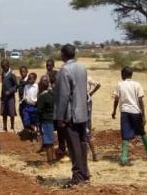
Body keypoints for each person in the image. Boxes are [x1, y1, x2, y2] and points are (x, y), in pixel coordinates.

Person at [53, 45, 90, 188]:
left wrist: (60, 117)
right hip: (82, 112)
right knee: (82, 144)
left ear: (63, 55)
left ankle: (77, 177)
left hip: (70, 115)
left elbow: (64, 96)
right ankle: (85, 173)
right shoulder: (82, 67)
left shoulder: (64, 70)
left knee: (74, 146)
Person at [111, 67, 147, 166]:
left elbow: (116, 99)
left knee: (125, 135)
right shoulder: (137, 85)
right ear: (131, 74)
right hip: (136, 112)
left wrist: (114, 111)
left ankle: (124, 157)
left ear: (123, 75)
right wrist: (143, 115)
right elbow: (140, 100)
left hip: (125, 112)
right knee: (142, 132)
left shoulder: (120, 84)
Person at [35, 76, 56, 164]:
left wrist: (37, 122)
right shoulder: (51, 94)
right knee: (51, 140)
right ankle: (53, 158)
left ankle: (49, 160)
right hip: (51, 119)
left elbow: (39, 110)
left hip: (45, 120)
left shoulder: (43, 96)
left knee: (47, 141)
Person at [0, 59, 19, 132]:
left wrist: (10, 91)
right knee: (4, 112)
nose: (3, 68)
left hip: (10, 97)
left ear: (8, 66)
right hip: (4, 96)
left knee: (11, 112)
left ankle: (12, 127)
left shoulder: (12, 74)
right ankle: (4, 127)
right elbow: (3, 84)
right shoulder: (3, 73)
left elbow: (16, 85)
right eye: (2, 67)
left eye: (4, 67)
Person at [86, 76, 101, 161]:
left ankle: (93, 153)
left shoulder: (87, 78)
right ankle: (94, 154)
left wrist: (91, 93)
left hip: (86, 101)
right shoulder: (86, 78)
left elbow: (98, 84)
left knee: (86, 125)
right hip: (86, 101)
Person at [21, 72, 39, 137]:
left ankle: (34, 133)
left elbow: (38, 96)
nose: (29, 80)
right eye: (28, 78)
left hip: (34, 106)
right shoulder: (26, 86)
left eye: (31, 79)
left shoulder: (37, 87)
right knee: (26, 120)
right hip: (27, 106)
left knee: (33, 120)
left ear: (35, 79)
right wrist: (24, 100)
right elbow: (24, 95)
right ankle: (33, 128)